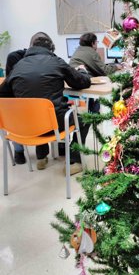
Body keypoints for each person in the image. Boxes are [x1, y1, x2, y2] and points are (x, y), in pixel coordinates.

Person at [0, 34, 91, 175]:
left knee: (34, 114)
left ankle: (41, 157)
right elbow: (82, 82)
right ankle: (75, 160)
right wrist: (83, 71)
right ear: (51, 49)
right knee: (85, 119)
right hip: (55, 124)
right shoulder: (57, 62)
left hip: (25, 127)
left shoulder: (17, 66)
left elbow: (3, 94)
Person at [4, 32, 53, 165]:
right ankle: (19, 151)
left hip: (27, 107)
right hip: (18, 103)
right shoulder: (15, 58)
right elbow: (10, 86)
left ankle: (41, 155)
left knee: (39, 108)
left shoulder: (47, 58)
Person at [69, 32, 122, 112]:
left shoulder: (78, 50)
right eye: (96, 42)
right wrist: (117, 67)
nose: (97, 45)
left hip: (72, 82)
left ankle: (92, 110)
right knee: (112, 84)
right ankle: (98, 112)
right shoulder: (92, 52)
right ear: (92, 43)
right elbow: (105, 71)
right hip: (83, 82)